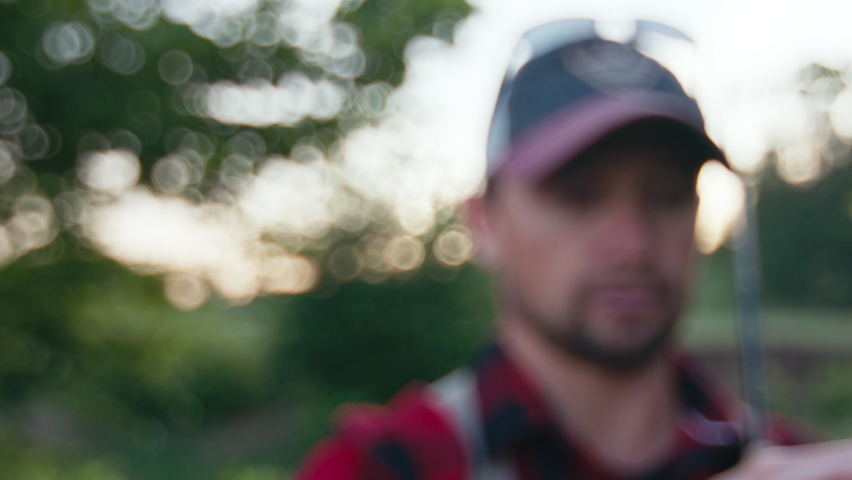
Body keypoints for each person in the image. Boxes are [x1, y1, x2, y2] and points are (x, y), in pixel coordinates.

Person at [295, 20, 852, 480]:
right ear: (485, 223)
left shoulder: (795, 460)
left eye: (666, 195)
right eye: (577, 196)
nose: (633, 245)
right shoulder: (388, 464)